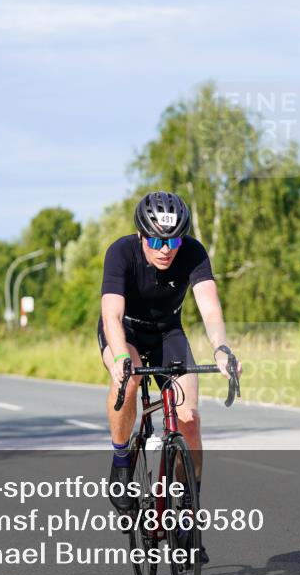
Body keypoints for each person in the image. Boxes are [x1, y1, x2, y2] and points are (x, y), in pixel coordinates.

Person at [98, 192, 242, 534]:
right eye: (158, 240)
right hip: (126, 332)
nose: (166, 249)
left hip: (167, 334)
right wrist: (119, 356)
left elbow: (209, 307)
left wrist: (221, 348)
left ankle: (188, 511)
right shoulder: (121, 252)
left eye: (174, 239)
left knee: (188, 419)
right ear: (141, 235)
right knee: (128, 381)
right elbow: (111, 314)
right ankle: (121, 463)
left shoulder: (192, 252)